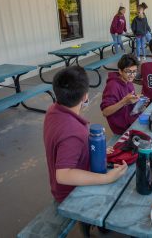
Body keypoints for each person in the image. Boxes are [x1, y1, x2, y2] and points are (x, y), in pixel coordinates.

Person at [43, 66, 128, 203]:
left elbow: (65, 146)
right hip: (71, 193)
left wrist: (91, 151)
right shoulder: (73, 131)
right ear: (85, 96)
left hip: (64, 185)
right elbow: (63, 175)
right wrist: (106, 178)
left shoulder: (53, 110)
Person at [100, 54, 143, 135]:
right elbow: (105, 112)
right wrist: (123, 102)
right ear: (120, 71)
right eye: (128, 71)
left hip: (131, 120)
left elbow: (128, 101)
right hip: (121, 128)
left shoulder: (128, 81)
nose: (132, 75)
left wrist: (138, 101)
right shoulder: (112, 86)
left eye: (134, 71)